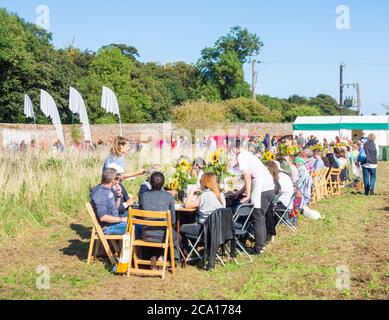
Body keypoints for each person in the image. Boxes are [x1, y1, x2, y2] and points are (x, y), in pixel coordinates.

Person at [230, 139, 275, 255]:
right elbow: (249, 178)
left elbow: (247, 176)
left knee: (257, 216)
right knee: (260, 216)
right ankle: (261, 244)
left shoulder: (241, 156)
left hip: (262, 188)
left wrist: (248, 195)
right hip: (268, 187)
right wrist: (240, 192)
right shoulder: (249, 155)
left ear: (235, 148)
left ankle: (259, 247)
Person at [139, 172, 179, 265]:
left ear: (150, 183)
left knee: (156, 232)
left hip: (146, 235)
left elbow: (140, 216)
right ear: (163, 183)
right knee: (175, 235)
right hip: (163, 236)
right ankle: (173, 259)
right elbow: (172, 221)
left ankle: (152, 256)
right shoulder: (169, 197)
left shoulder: (143, 196)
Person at [181, 173, 226, 252]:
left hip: (205, 229)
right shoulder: (221, 195)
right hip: (219, 228)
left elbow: (187, 205)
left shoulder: (204, 196)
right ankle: (194, 249)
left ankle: (187, 252)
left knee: (180, 228)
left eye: (200, 180)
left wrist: (192, 191)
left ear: (205, 182)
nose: (200, 182)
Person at [90, 168, 133, 235]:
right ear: (113, 180)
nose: (118, 181)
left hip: (114, 224)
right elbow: (102, 217)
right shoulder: (100, 193)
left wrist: (118, 195)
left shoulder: (107, 190)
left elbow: (114, 208)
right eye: (117, 179)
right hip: (108, 228)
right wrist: (122, 219)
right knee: (138, 228)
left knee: (138, 224)